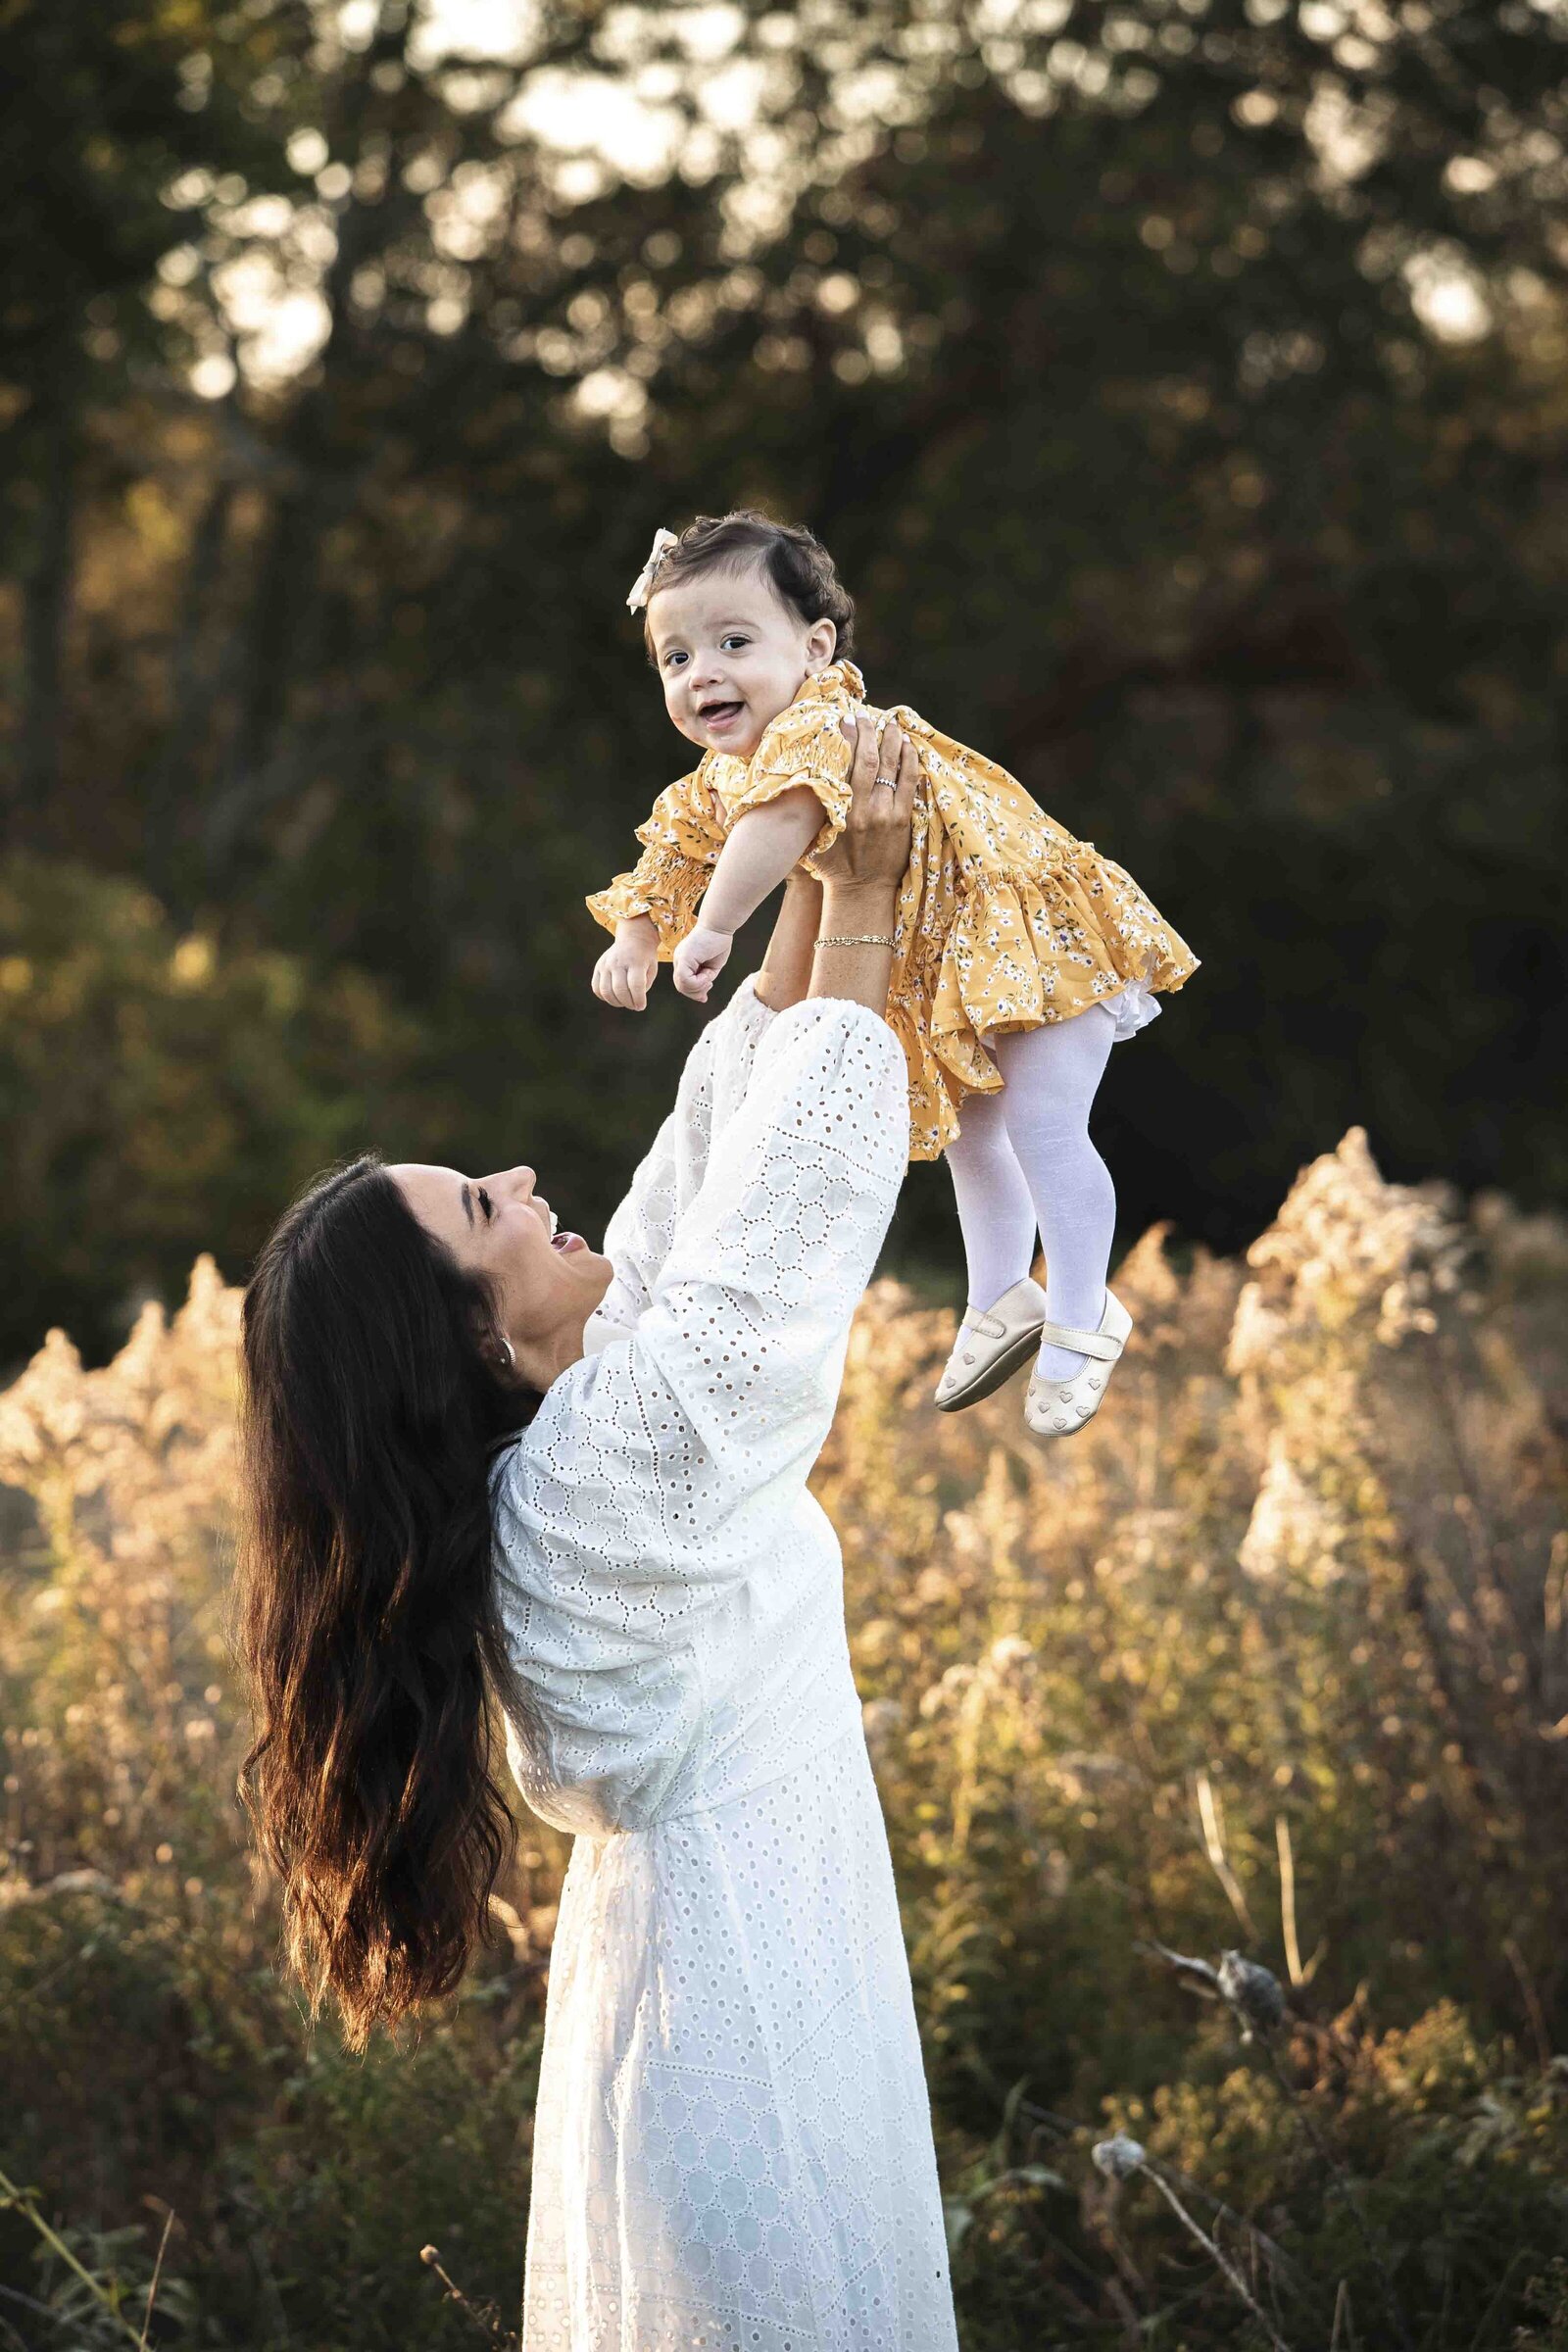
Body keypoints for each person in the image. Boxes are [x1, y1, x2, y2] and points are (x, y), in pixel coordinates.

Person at [236, 718, 961, 2351]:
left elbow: (719, 1159)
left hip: (727, 1987)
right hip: (749, 2030)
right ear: (476, 1344)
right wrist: (871, 894)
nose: (519, 1173)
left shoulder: (573, 1431)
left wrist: (825, 858)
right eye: (484, 1210)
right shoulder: (596, 1478)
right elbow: (782, 1226)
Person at [589, 511, 1200, 1438]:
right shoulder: (721, 777)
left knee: (1042, 1124)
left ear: (815, 646)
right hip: (962, 962)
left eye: (733, 642)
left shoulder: (821, 725)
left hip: (1033, 936)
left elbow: (781, 825)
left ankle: (1084, 1307)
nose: (701, 672)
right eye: (674, 658)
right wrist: (637, 935)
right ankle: (1000, 1298)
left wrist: (717, 927)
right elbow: (672, 849)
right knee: (970, 1133)